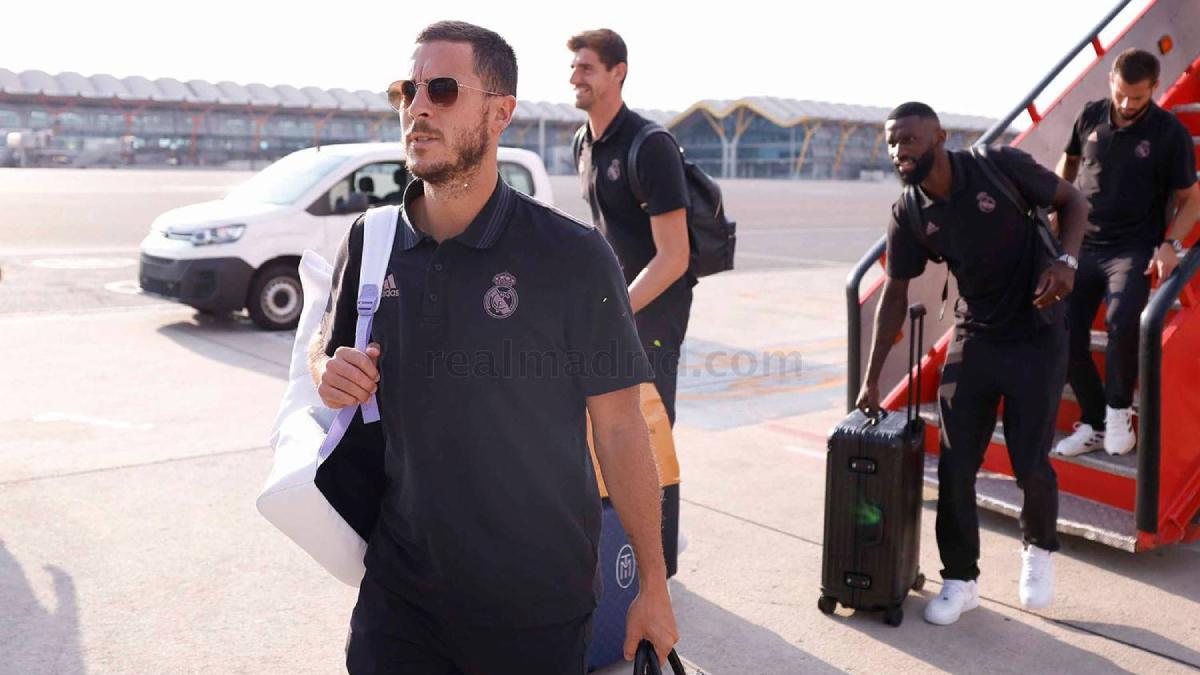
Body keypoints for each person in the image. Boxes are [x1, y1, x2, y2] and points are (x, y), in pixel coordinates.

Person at [309, 20, 678, 674]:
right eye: (407, 90)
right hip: (399, 600)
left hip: (534, 609)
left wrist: (652, 584)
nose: (417, 108)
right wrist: (326, 368)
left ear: (500, 112)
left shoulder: (574, 258)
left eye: (443, 89)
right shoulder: (370, 244)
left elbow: (621, 427)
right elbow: (327, 349)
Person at [857, 102, 1089, 625]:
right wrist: (872, 379)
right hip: (976, 335)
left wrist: (1067, 262)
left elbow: (1073, 200)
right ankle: (961, 580)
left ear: (938, 136)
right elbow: (895, 295)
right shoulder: (910, 212)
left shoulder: (997, 166)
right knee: (957, 466)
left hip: (1037, 332)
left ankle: (1038, 550)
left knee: (1030, 461)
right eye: (893, 143)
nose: (900, 152)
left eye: (910, 140)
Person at [1052, 48, 1200, 458]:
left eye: (1137, 97)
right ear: (1111, 84)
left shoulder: (1168, 133)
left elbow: (1192, 198)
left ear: (1154, 88)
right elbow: (1070, 162)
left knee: (1121, 322)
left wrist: (1171, 244)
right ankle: (1095, 421)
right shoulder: (1091, 114)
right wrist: (1057, 205)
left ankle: (1119, 412)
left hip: (1133, 248)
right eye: (1120, 94)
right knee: (1060, 328)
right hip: (1082, 242)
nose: (1126, 104)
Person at [568, 28, 692, 426]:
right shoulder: (582, 143)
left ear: (618, 72)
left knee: (648, 424)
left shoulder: (651, 144)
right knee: (604, 423)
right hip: (614, 304)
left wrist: (618, 308)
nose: (574, 79)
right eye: (572, 68)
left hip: (654, 310)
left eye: (586, 68)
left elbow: (674, 257)